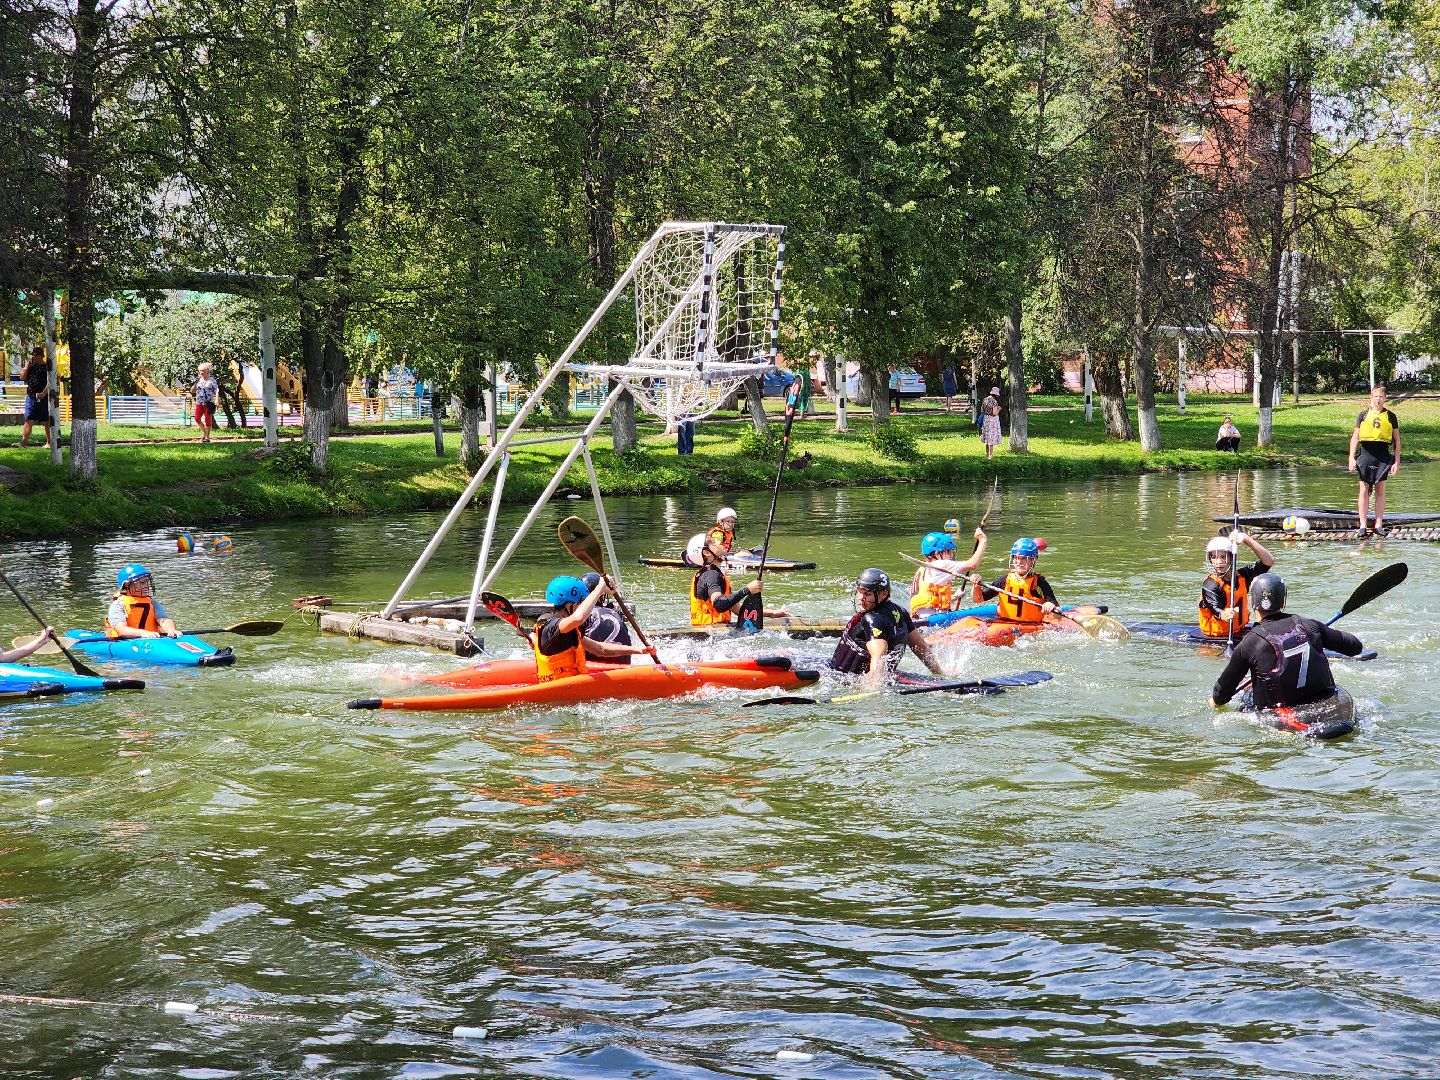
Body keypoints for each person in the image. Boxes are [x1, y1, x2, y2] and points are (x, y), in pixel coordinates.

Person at [1211, 573, 1364, 711]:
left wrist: (1215, 701)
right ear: (1283, 602)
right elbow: (1355, 647)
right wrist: (1320, 634)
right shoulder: (1309, 625)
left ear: (1252, 602)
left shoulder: (1249, 644)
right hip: (1323, 699)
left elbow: (1221, 694)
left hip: (1281, 711)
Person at [830, 568, 947, 686]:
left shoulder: (871, 619)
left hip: (845, 679)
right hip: (886, 676)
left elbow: (879, 657)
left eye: (867, 594)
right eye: (859, 592)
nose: (861, 598)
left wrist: (871, 689)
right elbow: (920, 647)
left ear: (884, 594)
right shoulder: (900, 611)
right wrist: (939, 672)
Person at [532, 575, 646, 681]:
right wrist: (600, 588)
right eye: (581, 603)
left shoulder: (568, 630)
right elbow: (579, 618)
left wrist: (639, 650)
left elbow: (600, 649)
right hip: (559, 691)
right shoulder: (552, 627)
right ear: (569, 605)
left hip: (574, 687)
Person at [688, 534, 788, 626]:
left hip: (712, 631)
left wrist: (772, 613)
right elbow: (719, 604)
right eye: (713, 542)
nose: (719, 542)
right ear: (706, 552)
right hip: (711, 633)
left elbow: (738, 609)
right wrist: (747, 589)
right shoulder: (712, 575)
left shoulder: (712, 573)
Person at [1198, 530, 1275, 639]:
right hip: (1215, 638)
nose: (1218, 562)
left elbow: (1269, 561)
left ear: (1231, 558)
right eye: (1214, 557)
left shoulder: (1243, 576)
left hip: (1240, 631)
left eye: (1223, 557)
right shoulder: (1210, 585)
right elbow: (1215, 608)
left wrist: (1246, 539)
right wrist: (1223, 614)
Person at [1348, 384, 1400, 535]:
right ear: (1371, 397)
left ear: (1385, 398)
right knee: (1364, 489)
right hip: (1366, 454)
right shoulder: (1363, 415)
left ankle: (1378, 525)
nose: (1378, 399)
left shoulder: (1391, 416)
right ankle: (1362, 526)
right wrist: (1351, 457)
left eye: (1381, 397)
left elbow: (1397, 440)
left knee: (1380, 490)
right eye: (1375, 396)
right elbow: (1355, 438)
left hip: (1382, 455)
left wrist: (1396, 462)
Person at [970, 537, 1057, 623]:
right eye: (1016, 558)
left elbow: (1058, 614)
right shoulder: (1003, 581)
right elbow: (978, 599)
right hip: (1004, 623)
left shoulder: (1039, 583)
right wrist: (976, 585)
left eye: (1024, 558)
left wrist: (1050, 606)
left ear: (1033, 560)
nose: (1019, 562)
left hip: (1031, 625)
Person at [908, 527, 988, 619]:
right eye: (949, 552)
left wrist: (955, 597)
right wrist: (982, 540)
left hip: (921, 618)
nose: (951, 555)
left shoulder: (922, 569)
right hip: (935, 620)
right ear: (937, 553)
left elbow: (932, 598)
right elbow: (973, 564)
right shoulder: (940, 564)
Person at [105, 564, 180, 640]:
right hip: (125, 641)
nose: (146, 586)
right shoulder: (117, 605)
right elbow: (121, 629)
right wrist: (143, 633)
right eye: (142, 582)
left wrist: (171, 629)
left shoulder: (153, 603)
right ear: (127, 585)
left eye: (147, 582)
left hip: (152, 639)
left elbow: (163, 620)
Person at [579, 572, 634, 664]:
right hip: (623, 668)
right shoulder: (616, 613)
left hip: (592, 668)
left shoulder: (581, 616)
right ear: (601, 595)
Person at [19, 345, 52, 448]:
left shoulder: (46, 367)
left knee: (46, 420)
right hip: (31, 396)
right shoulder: (31, 367)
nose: (35, 357)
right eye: (34, 355)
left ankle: (49, 443)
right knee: (28, 418)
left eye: (37, 355)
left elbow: (50, 382)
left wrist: (43, 393)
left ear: (42, 356)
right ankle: (24, 442)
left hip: (44, 397)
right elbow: (22, 377)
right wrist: (27, 367)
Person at [193, 361, 219, 443]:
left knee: (208, 420)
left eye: (203, 371)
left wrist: (217, 400)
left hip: (208, 403)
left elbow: (216, 390)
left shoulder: (212, 380)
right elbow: (192, 390)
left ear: (207, 371)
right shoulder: (198, 380)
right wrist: (194, 384)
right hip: (199, 403)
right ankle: (205, 432)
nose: (201, 372)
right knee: (197, 418)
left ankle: (207, 437)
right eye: (200, 371)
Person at [980, 385, 1003, 459]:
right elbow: (994, 413)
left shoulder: (985, 399)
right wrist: (999, 409)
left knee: (987, 437)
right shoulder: (994, 401)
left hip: (986, 419)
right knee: (991, 438)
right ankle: (990, 456)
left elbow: (982, 410)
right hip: (992, 420)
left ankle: (987, 454)